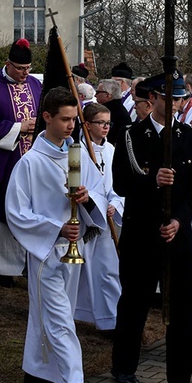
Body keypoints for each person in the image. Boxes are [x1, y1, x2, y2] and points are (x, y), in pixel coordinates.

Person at [5, 87, 107, 383]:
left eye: (74, 120)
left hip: (75, 252)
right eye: (64, 119)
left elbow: (103, 193)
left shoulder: (78, 156)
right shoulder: (30, 164)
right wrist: (56, 228)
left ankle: (36, 370)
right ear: (46, 117)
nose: (71, 126)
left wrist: (88, 200)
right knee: (61, 321)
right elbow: (17, 213)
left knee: (46, 316)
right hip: (45, 254)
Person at [111, 70, 192, 383]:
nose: (175, 104)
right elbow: (121, 183)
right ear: (154, 99)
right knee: (134, 300)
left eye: (179, 98)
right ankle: (124, 366)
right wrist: (152, 182)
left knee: (182, 306)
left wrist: (179, 220)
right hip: (141, 232)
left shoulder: (190, 138)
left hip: (176, 234)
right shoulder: (131, 135)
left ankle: (180, 376)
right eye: (168, 97)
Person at [0, 38, 41, 283]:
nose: (25, 73)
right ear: (8, 64)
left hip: (32, 160)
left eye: (28, 68)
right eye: (20, 68)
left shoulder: (35, 85)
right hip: (7, 160)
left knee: (31, 210)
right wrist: (19, 127)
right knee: (5, 211)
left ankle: (27, 263)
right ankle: (4, 269)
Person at [74, 103, 123, 331]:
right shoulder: (78, 151)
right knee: (79, 272)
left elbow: (117, 186)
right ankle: (78, 314)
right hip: (85, 219)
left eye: (108, 123)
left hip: (105, 223)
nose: (105, 127)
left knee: (108, 271)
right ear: (87, 124)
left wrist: (113, 203)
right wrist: (95, 201)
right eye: (100, 123)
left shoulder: (112, 151)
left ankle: (110, 320)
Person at [94, 79, 132, 145]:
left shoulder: (116, 114)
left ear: (108, 95)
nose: (95, 95)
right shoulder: (114, 109)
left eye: (97, 92)